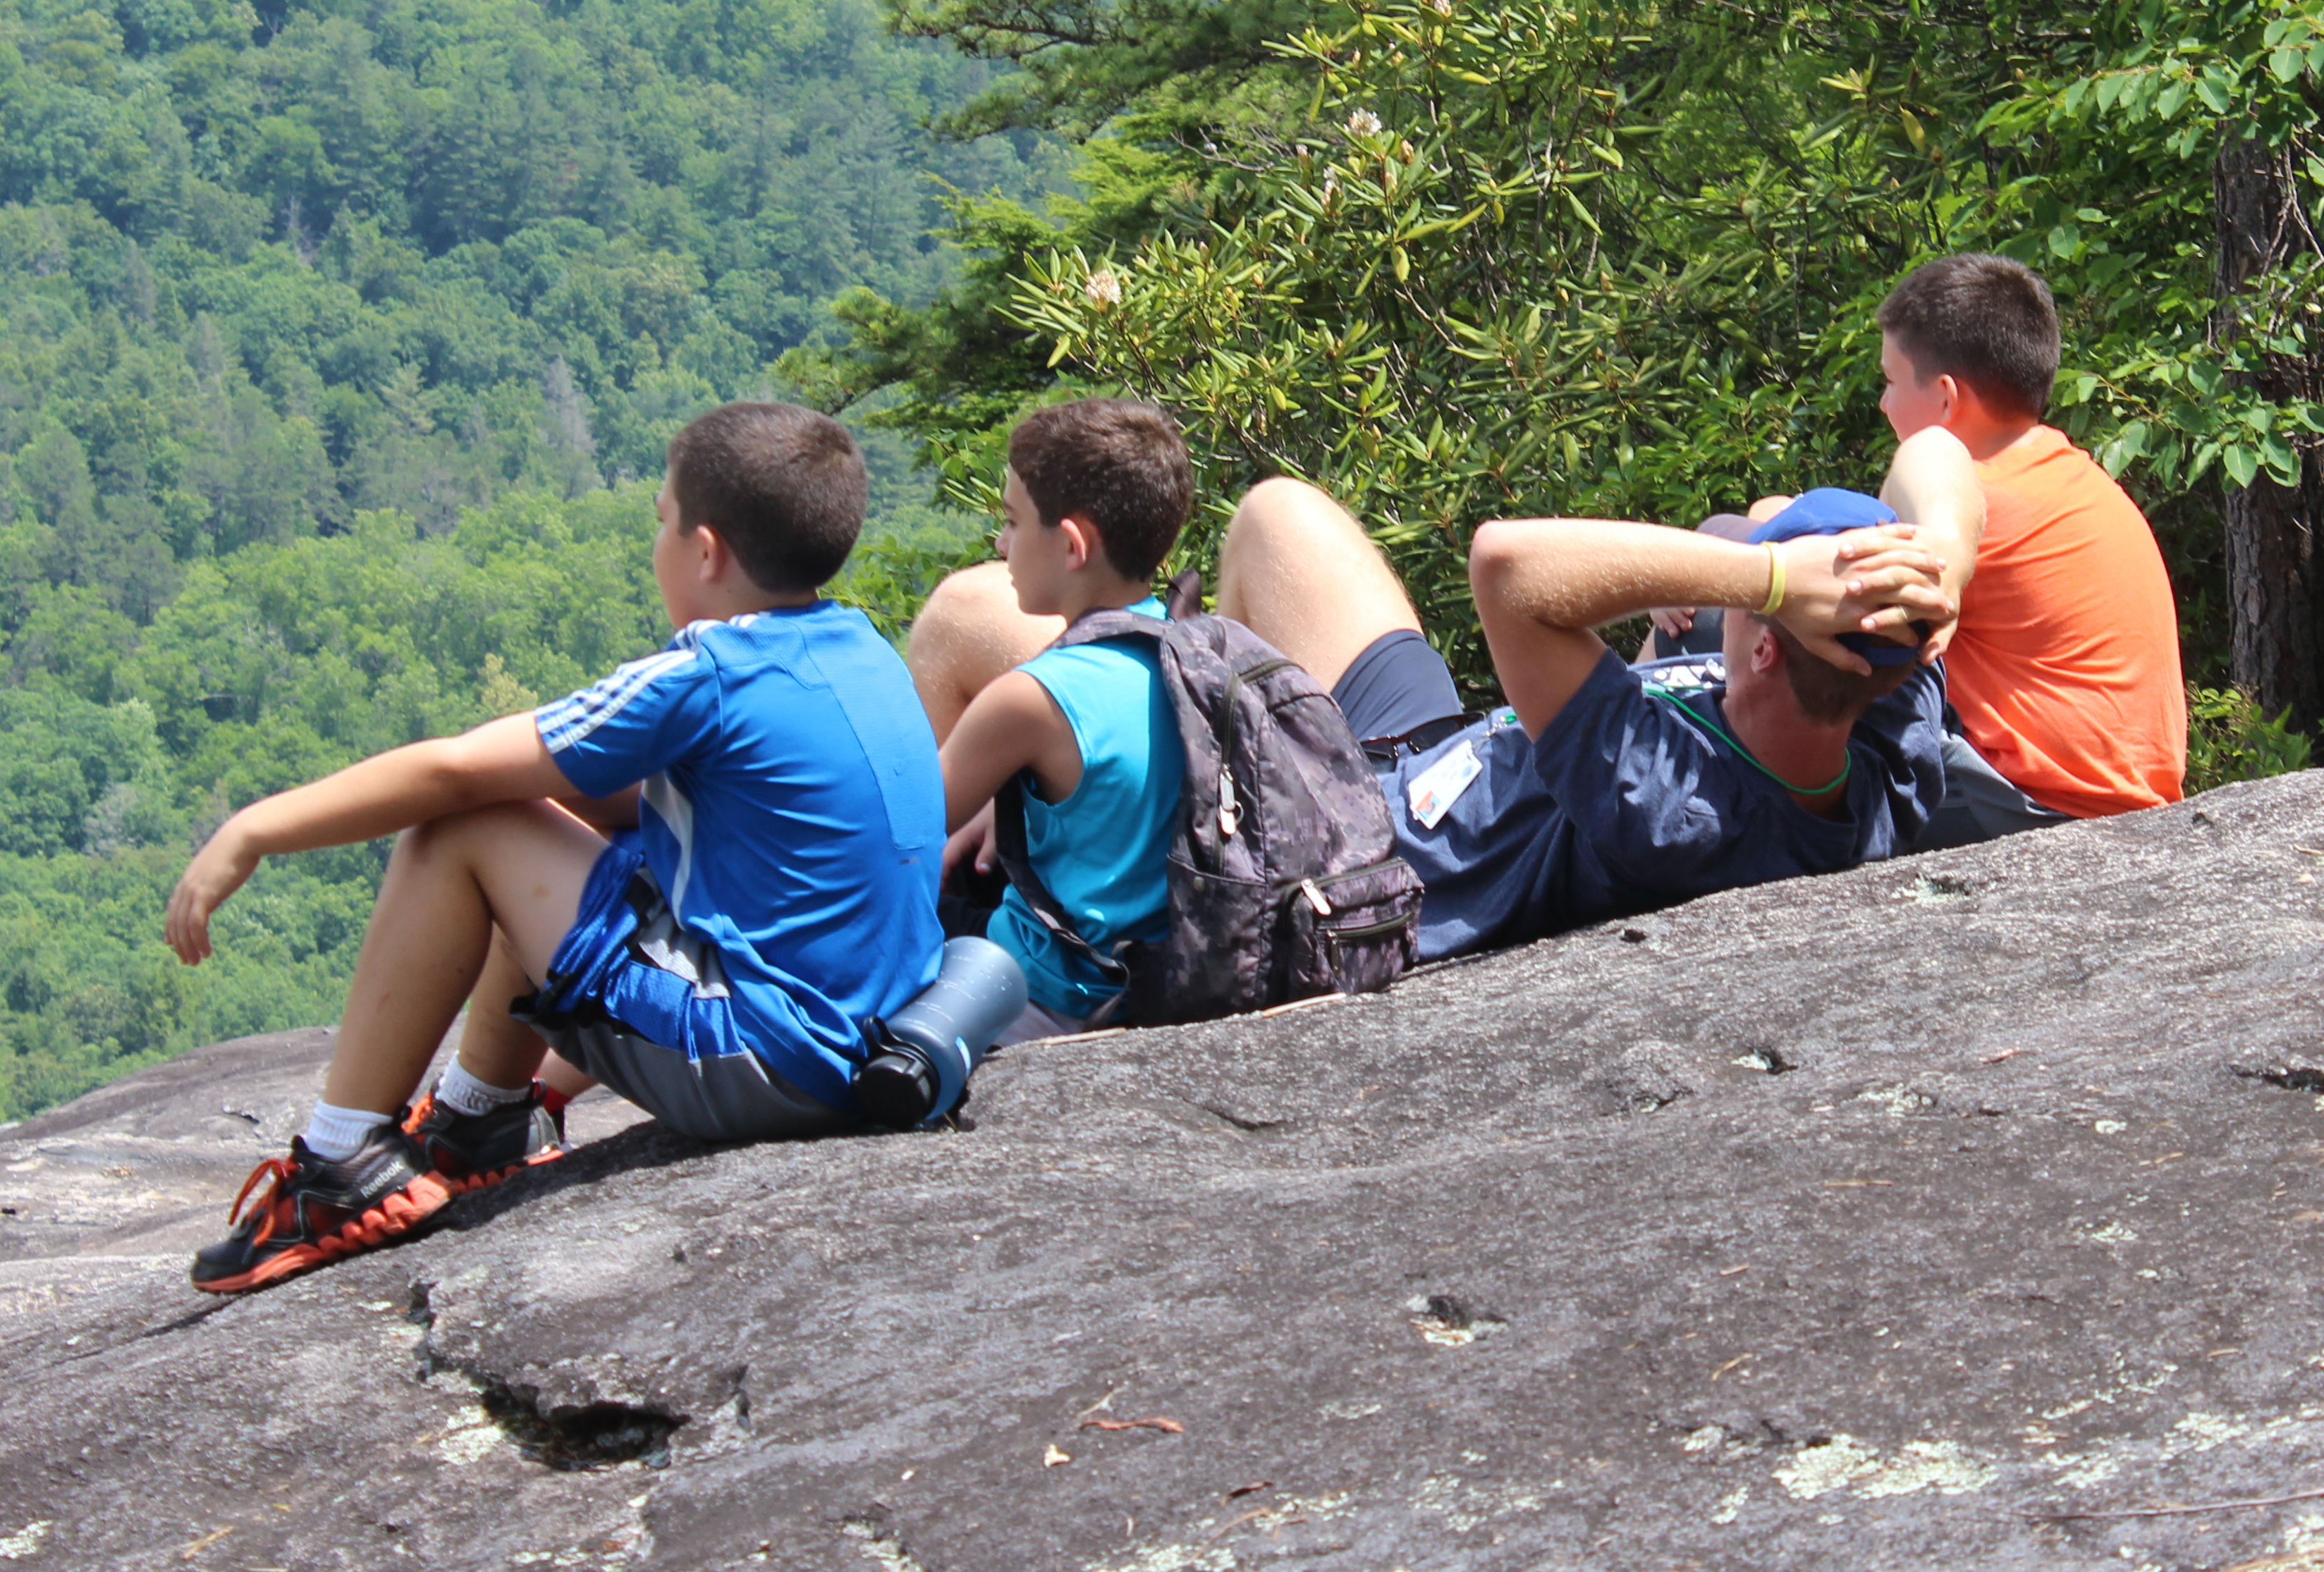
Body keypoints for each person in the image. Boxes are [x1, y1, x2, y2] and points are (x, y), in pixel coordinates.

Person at [163, 403, 946, 1295]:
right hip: (866, 1043)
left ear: (706, 551)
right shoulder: (857, 645)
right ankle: (478, 1123)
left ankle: (340, 1168)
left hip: (765, 1063)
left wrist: (252, 830)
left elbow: (456, 775)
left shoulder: (708, 674)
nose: (654, 542)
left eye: (661, 521)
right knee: (542, 825)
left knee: (465, 828)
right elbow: (624, 796)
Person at [1199, 431, 1981, 960]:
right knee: (1280, 516)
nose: (1745, 551)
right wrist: (1940, 558)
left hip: (1361, 837)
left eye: (1751, 581)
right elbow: (1939, 447)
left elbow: (1504, 563)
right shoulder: (1888, 751)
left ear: (1768, 646)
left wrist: (1766, 575)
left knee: (1237, 568)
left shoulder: (1677, 805)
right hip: (1453, 753)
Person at [898, 398, 1197, 1036]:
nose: (1001, 544)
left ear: (1070, 545)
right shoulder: (1189, 645)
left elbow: (899, 833)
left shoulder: (1031, 698)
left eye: (1012, 521)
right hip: (1161, 971)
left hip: (1053, 991)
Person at [1871, 254, 2185, 840]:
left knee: (1723, 632)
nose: (1884, 405)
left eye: (1890, 382)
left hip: (2037, 813)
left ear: (1944, 398)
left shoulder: (1988, 497)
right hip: (2125, 810)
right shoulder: (2071, 477)